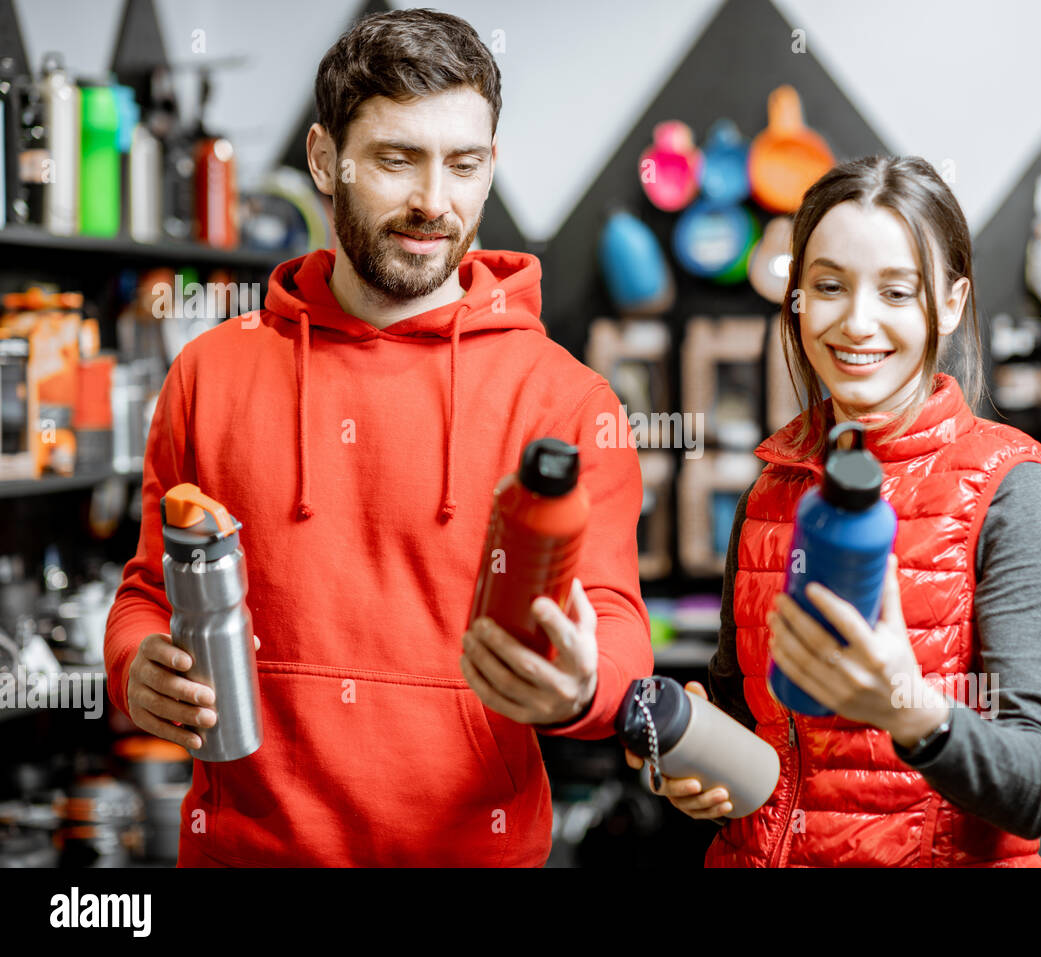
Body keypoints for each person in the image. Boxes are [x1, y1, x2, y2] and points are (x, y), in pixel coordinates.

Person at [104, 8, 652, 867]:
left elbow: (617, 624)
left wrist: (585, 681)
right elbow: (146, 591)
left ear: (489, 168)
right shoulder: (207, 374)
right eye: (397, 160)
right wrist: (135, 661)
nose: (434, 201)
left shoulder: (569, 400)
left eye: (463, 165)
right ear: (325, 158)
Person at [629, 155, 1041, 867]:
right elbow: (745, 725)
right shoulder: (767, 491)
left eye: (897, 292)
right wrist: (694, 766)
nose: (857, 321)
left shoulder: (1009, 486)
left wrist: (912, 711)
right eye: (829, 286)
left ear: (953, 301)